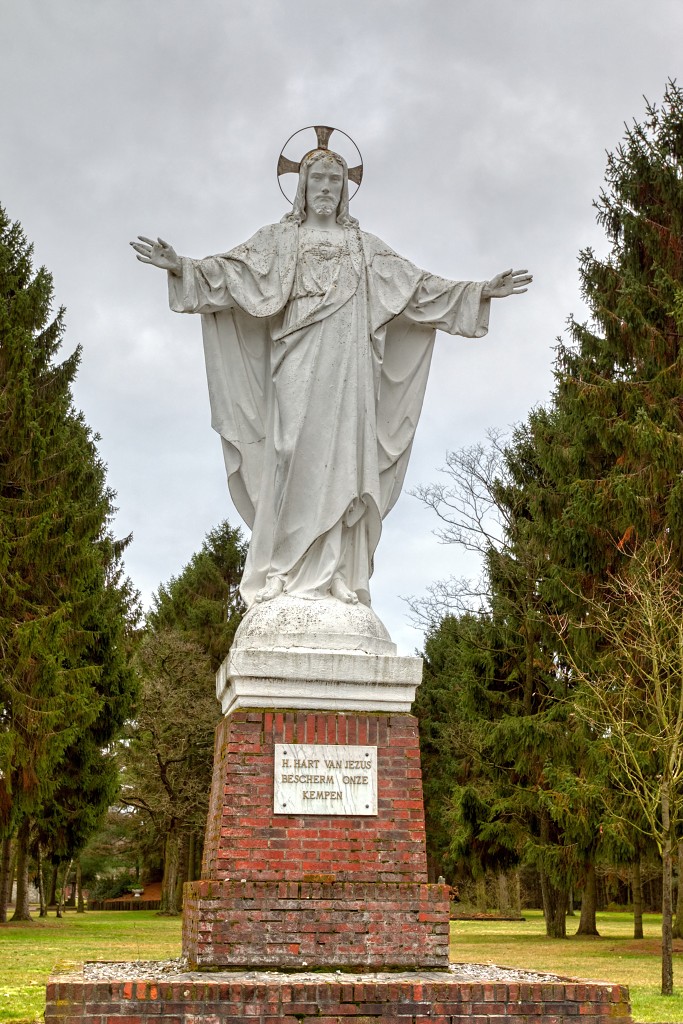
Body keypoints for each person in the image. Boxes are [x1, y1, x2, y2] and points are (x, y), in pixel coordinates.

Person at [131, 146, 531, 609]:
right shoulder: (278, 241)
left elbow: (420, 289)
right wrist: (183, 267)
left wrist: (480, 292)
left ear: (345, 191)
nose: (326, 188)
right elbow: (233, 275)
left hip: (351, 369)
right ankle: (284, 570)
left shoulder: (366, 248)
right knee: (291, 454)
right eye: (317, 179)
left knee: (345, 460)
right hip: (297, 363)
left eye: (334, 182)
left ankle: (338, 573)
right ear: (303, 186)